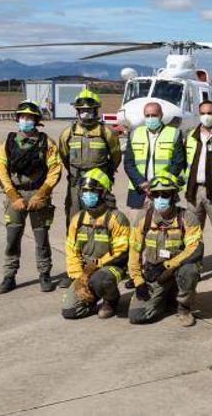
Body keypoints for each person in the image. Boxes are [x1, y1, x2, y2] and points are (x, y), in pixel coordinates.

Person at [0, 100, 62, 294]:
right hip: (16, 194)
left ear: (37, 121)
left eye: (30, 118)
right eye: (23, 117)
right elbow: (1, 168)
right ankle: (9, 275)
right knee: (13, 237)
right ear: (18, 119)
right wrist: (12, 195)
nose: (26, 121)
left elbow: (55, 169)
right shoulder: (8, 142)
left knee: (41, 238)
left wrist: (42, 194)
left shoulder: (46, 143)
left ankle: (44, 274)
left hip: (38, 194)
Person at [57, 89, 121, 287]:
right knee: (74, 226)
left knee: (105, 225)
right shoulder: (68, 133)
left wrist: (103, 178)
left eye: (90, 111)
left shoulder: (106, 133)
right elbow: (64, 157)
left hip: (100, 187)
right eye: (82, 111)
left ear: (96, 111)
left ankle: (105, 266)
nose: (86, 115)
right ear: (76, 112)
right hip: (77, 186)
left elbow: (115, 157)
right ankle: (74, 270)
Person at [127, 173, 203, 327]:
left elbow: (194, 249)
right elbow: (134, 251)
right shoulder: (144, 218)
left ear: (174, 196)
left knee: (190, 271)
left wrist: (168, 265)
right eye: (156, 194)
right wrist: (138, 280)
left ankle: (184, 307)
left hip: (176, 270)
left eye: (165, 194)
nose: (160, 198)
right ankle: (165, 298)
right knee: (137, 316)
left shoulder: (187, 218)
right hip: (154, 273)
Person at [61, 169, 131, 319]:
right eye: (84, 191)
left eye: (92, 191)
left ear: (104, 193)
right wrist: (78, 277)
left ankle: (111, 300)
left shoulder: (116, 218)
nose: (87, 195)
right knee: (70, 311)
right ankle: (91, 299)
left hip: (111, 267)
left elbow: (120, 251)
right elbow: (71, 249)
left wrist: (94, 266)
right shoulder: (78, 219)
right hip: (85, 271)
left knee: (101, 280)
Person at [122, 101, 186, 227]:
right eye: (147, 115)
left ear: (161, 115)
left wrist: (162, 182)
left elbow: (178, 162)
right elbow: (128, 163)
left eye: (154, 115)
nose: (150, 118)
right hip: (139, 191)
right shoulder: (135, 134)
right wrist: (141, 183)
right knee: (136, 228)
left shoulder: (174, 133)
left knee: (164, 228)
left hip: (164, 191)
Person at [183, 100, 212, 260]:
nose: (206, 116)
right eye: (203, 113)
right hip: (194, 191)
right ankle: (193, 268)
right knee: (192, 234)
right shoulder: (190, 136)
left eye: (209, 113)